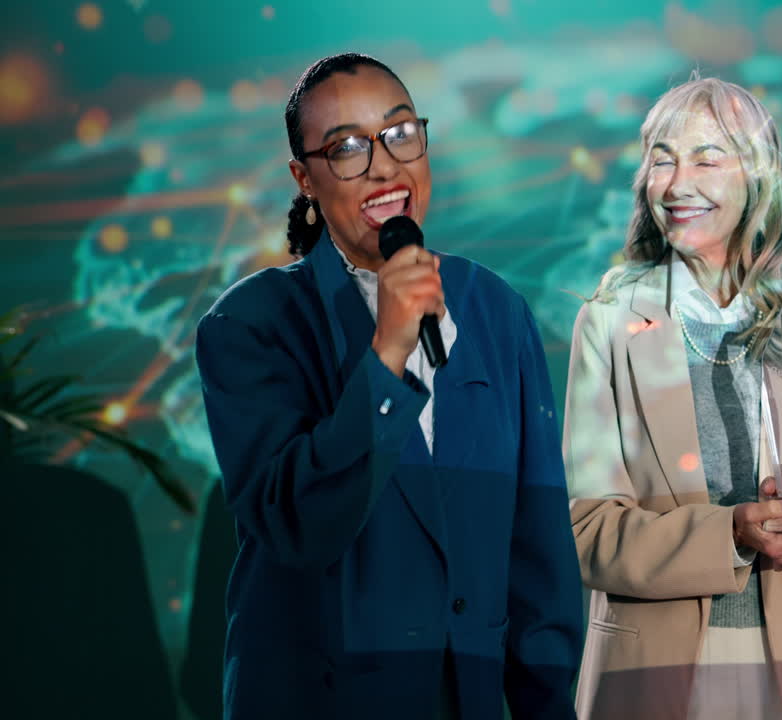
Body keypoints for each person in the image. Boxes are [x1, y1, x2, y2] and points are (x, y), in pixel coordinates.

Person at [195, 53, 583, 719]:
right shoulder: (250, 323)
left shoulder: (495, 310)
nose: (383, 165)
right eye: (346, 147)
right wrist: (388, 353)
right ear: (304, 178)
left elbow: (537, 544)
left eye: (401, 133)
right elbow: (299, 526)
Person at [562, 76, 782, 719]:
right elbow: (584, 531)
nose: (679, 182)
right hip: (649, 674)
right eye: (662, 157)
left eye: (707, 156)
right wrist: (733, 534)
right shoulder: (608, 322)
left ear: (759, 175)